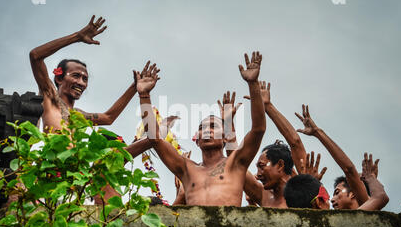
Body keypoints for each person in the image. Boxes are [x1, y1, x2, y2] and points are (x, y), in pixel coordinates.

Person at [29, 15, 152, 204]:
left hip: (72, 181)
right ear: (59, 78)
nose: (81, 82)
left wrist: (134, 87)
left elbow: (109, 117)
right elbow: (35, 56)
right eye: (76, 76)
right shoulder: (50, 98)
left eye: (85, 79)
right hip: (47, 173)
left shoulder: (79, 116)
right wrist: (77, 37)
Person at [137, 52, 266, 206]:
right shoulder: (187, 169)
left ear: (225, 137)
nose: (206, 130)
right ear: (196, 140)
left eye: (213, 126)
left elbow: (258, 129)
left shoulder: (236, 164)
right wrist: (144, 95)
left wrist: (253, 84)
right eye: (201, 127)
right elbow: (154, 138)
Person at [295, 105, 389, 210]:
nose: (331, 199)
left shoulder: (366, 210)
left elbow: (349, 170)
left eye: (337, 192)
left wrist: (318, 132)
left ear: (353, 194)